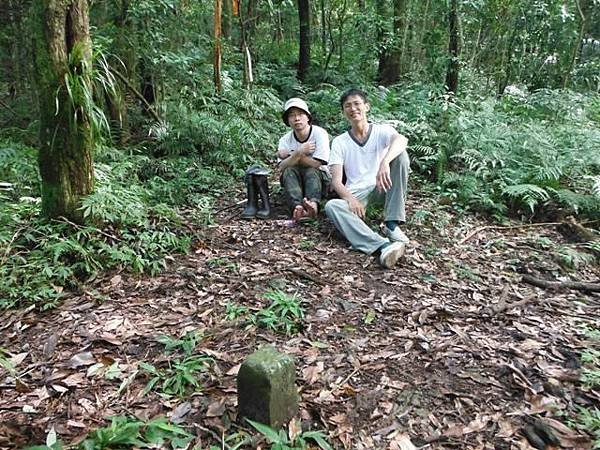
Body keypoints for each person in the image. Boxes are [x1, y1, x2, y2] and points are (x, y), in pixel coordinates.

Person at [324, 88, 410, 269]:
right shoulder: (340, 141)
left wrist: (385, 162)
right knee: (332, 206)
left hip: (381, 187)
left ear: (367, 107)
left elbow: (402, 140)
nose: (353, 108)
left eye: (357, 104)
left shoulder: (381, 131)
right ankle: (383, 245)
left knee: (401, 156)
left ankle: (391, 223)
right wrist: (350, 199)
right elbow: (336, 180)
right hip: (357, 195)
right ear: (343, 112)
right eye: (348, 106)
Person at [277, 98, 330, 222]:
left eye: (300, 114)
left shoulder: (319, 133)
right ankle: (298, 208)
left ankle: (313, 207)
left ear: (307, 117)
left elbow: (317, 164)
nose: (297, 119)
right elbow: (281, 167)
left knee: (311, 171)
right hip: (295, 179)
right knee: (289, 171)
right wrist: (299, 152)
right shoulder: (285, 139)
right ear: (287, 121)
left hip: (320, 179)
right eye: (292, 116)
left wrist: (292, 157)